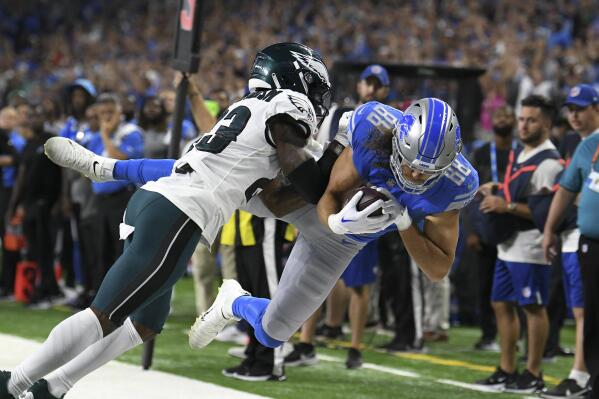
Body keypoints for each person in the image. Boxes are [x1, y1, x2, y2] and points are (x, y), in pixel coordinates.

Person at [0, 42, 334, 399]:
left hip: (157, 203)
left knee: (145, 323)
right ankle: (14, 383)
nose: (316, 100)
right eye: (313, 88)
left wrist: (109, 169)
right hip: (180, 213)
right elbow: (308, 181)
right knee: (103, 315)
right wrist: (335, 163)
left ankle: (53, 386)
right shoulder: (288, 105)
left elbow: (275, 200)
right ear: (292, 77)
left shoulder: (244, 112)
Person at [475, 95, 563, 394]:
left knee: (533, 308)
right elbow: (518, 193)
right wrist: (497, 189)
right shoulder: (521, 153)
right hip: (508, 244)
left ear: (547, 124)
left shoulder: (549, 162)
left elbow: (546, 212)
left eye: (531, 120)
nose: (523, 125)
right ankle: (507, 368)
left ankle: (534, 372)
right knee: (500, 303)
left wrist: (506, 206)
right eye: (522, 119)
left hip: (531, 246)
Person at [543, 84, 599, 399]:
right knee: (587, 312)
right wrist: (550, 229)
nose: (574, 115)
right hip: (586, 241)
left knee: (587, 312)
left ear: (597, 108)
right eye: (571, 109)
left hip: (587, 239)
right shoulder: (580, 146)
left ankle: (583, 376)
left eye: (581, 108)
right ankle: (588, 378)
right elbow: (566, 190)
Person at [467, 105, 519, 351]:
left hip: (514, 229)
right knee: (485, 285)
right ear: (492, 121)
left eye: (507, 116)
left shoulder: (520, 152)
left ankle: (515, 335)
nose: (503, 120)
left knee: (515, 286)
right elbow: (469, 194)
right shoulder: (481, 152)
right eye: (499, 115)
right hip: (486, 227)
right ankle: (488, 335)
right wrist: (472, 231)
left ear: (514, 121)